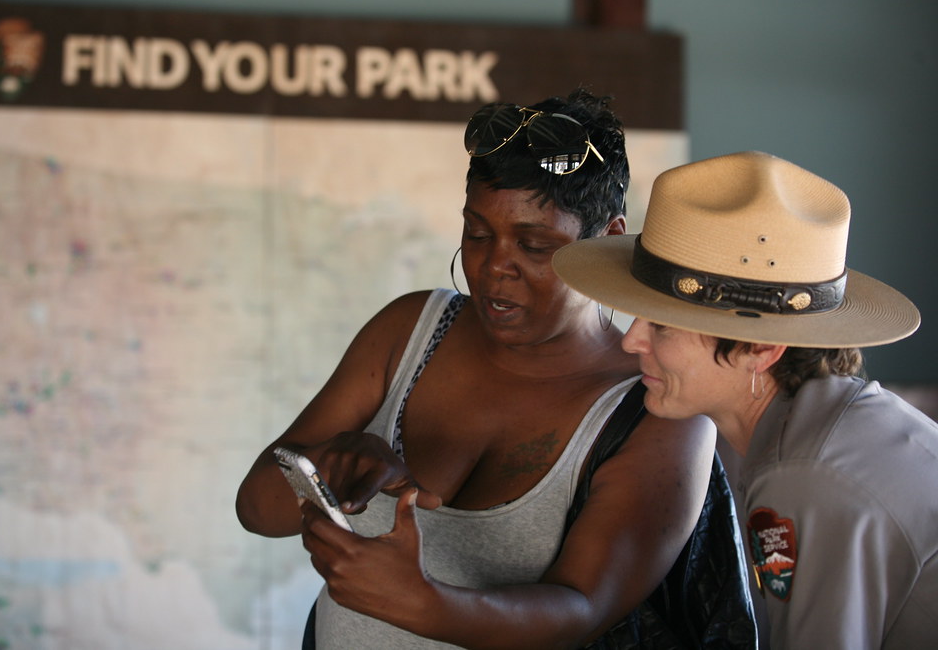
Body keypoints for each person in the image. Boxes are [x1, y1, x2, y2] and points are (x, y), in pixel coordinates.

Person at [235, 90, 734, 649]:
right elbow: (256, 508)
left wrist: (424, 604)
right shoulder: (409, 331)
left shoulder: (656, 410)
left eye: (535, 245)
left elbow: (585, 608)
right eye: (477, 233)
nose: (496, 266)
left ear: (609, 241)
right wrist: (329, 463)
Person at [552, 150, 938, 649]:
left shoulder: (807, 472)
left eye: (662, 325)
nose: (632, 341)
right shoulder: (827, 430)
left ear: (760, 348)